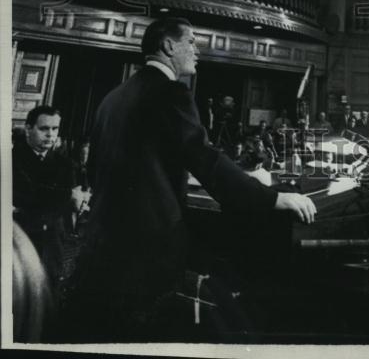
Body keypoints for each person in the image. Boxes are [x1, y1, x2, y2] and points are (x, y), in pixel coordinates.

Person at [62, 17, 315, 341]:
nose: (198, 49)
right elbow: (204, 158)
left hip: (102, 249)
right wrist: (274, 198)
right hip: (149, 251)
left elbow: (98, 167)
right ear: (168, 45)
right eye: (192, 41)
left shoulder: (113, 98)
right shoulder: (170, 92)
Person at [12, 105, 74, 289]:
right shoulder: (12, 159)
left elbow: (65, 206)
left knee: (49, 295)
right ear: (28, 128)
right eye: (44, 128)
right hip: (20, 241)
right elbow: (22, 193)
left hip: (52, 243)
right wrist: (68, 195)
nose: (50, 134)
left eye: (55, 129)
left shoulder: (65, 165)